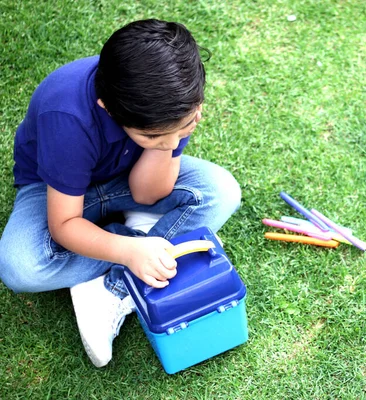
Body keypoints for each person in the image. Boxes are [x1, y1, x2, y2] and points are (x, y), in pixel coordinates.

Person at [0, 19, 241, 368]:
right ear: (109, 109)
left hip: (127, 177)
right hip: (54, 190)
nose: (174, 142)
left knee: (222, 191)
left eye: (185, 127)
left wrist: (163, 144)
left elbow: (146, 193)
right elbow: (64, 222)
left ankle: (111, 287)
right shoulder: (67, 116)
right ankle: (137, 240)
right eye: (154, 136)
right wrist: (128, 250)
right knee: (18, 266)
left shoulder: (172, 105)